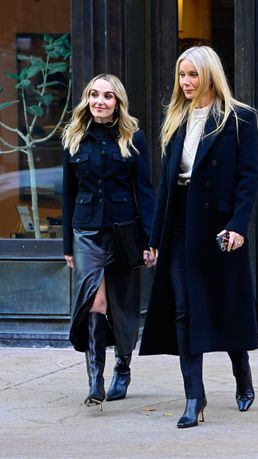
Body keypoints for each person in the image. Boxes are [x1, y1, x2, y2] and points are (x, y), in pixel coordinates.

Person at [139, 46, 258, 428]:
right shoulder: (176, 118)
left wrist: (238, 225)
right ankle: (195, 396)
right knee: (183, 310)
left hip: (219, 227)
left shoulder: (240, 119)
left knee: (224, 305)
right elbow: (166, 185)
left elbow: (249, 179)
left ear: (209, 74)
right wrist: (154, 237)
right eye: (181, 75)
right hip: (179, 224)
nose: (186, 82)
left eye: (192, 74)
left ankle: (242, 371)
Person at [62, 73, 155, 409]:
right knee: (95, 303)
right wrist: (66, 245)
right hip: (86, 231)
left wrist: (150, 239)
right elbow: (68, 194)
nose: (99, 101)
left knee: (124, 306)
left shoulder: (133, 137)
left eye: (107, 96)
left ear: (118, 102)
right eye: (94, 95)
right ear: (87, 99)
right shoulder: (74, 136)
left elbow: (144, 190)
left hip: (123, 230)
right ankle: (95, 381)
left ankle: (123, 366)